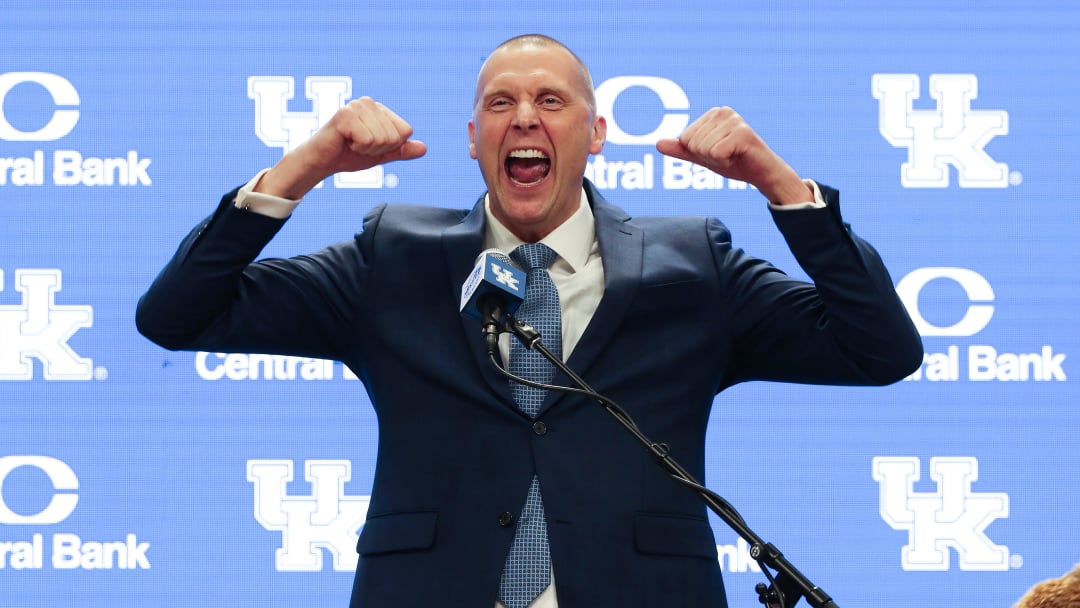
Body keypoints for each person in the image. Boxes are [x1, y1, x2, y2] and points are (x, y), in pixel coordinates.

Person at [137, 34, 922, 608]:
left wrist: (778, 185)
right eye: (499, 104)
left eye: (551, 100)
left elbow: (879, 348)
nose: (524, 119)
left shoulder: (692, 264)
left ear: (596, 133)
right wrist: (306, 165)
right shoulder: (394, 257)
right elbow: (178, 314)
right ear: (474, 138)